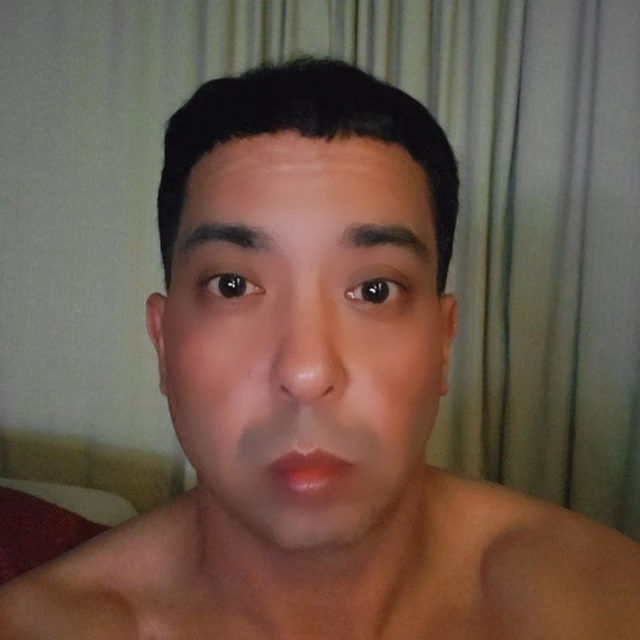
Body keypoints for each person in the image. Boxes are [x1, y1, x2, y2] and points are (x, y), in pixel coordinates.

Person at [0, 57, 638, 639]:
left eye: (374, 290)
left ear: (444, 342)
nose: (306, 373)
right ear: (163, 343)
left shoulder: (606, 603)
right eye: (233, 286)